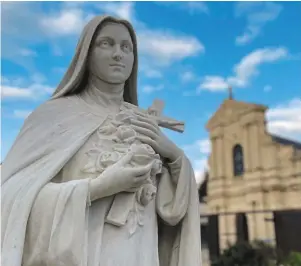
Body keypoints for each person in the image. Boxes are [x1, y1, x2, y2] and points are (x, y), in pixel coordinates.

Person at [1, 15, 201, 266]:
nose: (118, 54)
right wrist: (96, 189)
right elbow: (10, 197)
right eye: (106, 43)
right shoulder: (54, 115)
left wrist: (175, 158)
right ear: (86, 53)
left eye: (126, 47)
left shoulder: (143, 123)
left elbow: (170, 214)